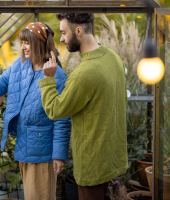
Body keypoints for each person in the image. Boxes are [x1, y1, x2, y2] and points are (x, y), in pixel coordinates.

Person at [0, 22, 71, 200]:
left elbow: (62, 119)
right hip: (24, 146)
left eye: (27, 42)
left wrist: (59, 155)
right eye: (22, 42)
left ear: (39, 43)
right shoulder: (20, 66)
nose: (23, 47)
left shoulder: (56, 75)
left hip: (42, 152)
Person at [38, 13, 128, 200]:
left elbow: (55, 110)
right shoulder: (113, 57)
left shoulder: (83, 74)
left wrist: (48, 79)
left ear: (78, 31)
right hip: (110, 158)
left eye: (63, 32)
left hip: (92, 165)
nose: (61, 38)